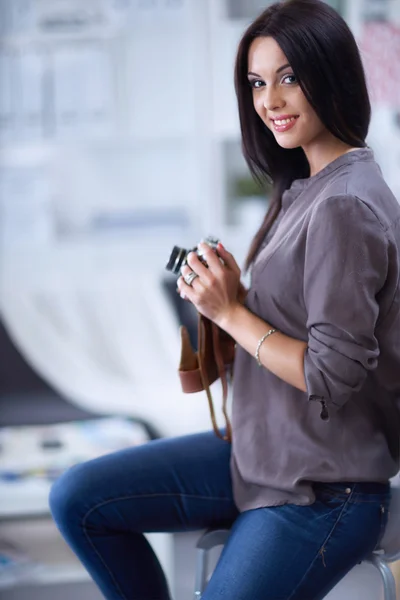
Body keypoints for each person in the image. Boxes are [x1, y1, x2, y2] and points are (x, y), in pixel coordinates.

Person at [49, 0, 400, 598]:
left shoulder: (343, 205)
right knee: (79, 497)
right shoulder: (308, 189)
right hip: (263, 458)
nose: (270, 101)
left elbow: (330, 375)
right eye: (258, 83)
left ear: (333, 73)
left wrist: (230, 313)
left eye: (290, 77)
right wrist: (234, 295)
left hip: (322, 489)